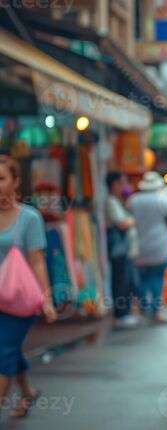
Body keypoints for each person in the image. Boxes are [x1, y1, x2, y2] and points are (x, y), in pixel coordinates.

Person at [0, 155, 57, 419]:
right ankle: (27, 392)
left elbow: (37, 262)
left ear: (15, 182)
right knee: (9, 349)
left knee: (3, 353)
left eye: (1, 178)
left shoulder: (30, 218)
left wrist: (46, 299)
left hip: (20, 301)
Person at [127, 171, 167, 325]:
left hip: (138, 247)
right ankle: (155, 311)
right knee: (157, 279)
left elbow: (127, 219)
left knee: (142, 279)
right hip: (159, 247)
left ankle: (143, 308)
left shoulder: (133, 200)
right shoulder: (163, 200)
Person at [105, 172, 140, 329]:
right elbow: (122, 223)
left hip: (123, 250)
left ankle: (124, 313)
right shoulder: (111, 202)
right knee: (121, 281)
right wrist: (132, 221)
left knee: (124, 281)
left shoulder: (117, 201)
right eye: (122, 183)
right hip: (119, 250)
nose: (124, 186)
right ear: (114, 184)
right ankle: (121, 314)